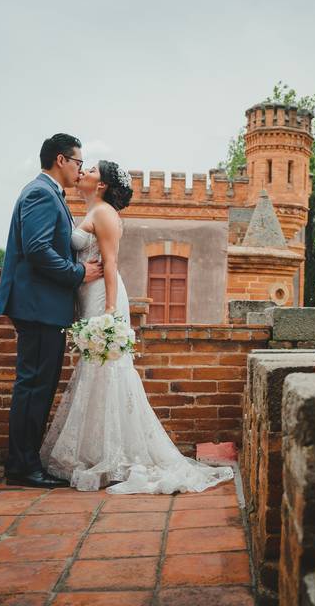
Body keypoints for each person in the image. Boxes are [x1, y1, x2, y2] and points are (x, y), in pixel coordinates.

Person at [39, 160, 234, 494]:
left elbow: (111, 263)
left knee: (107, 372)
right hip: (89, 294)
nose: (83, 172)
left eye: (91, 172)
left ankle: (111, 454)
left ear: (101, 186)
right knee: (97, 373)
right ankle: (98, 449)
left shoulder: (103, 214)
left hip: (103, 296)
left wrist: (111, 312)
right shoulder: (95, 210)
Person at [0, 133, 103, 488]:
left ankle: (24, 462)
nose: (79, 169)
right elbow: (39, 250)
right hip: (38, 306)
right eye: (77, 162)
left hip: (43, 306)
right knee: (34, 386)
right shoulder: (41, 193)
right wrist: (78, 273)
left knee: (37, 385)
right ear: (61, 160)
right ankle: (23, 467)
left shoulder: (47, 193)